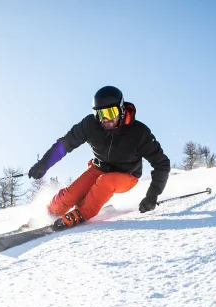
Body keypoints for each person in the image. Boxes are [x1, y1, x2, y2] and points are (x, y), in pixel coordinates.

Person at [28, 85, 170, 230]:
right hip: (99, 168)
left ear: (121, 110)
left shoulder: (139, 132)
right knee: (69, 195)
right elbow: (65, 144)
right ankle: (49, 214)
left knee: (105, 182)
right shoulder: (90, 125)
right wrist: (43, 164)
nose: (106, 119)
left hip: (126, 175)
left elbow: (162, 164)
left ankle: (81, 213)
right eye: (100, 114)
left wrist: (152, 196)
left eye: (110, 112)